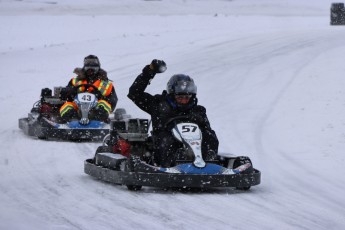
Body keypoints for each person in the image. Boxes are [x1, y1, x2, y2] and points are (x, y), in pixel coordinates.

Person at [127, 59, 219, 167]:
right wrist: (149, 72)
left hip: (195, 148)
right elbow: (135, 94)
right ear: (172, 94)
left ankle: (209, 161)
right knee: (167, 139)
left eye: (187, 97)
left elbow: (206, 130)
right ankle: (173, 163)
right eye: (180, 97)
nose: (184, 100)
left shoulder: (198, 110)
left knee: (209, 135)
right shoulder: (159, 104)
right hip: (163, 148)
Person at [59, 55, 118, 123]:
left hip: (96, 107)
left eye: (93, 67)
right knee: (67, 106)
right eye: (88, 67)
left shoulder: (106, 83)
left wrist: (100, 96)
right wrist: (70, 91)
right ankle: (72, 122)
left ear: (98, 68)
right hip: (78, 107)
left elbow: (113, 99)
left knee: (103, 104)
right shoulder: (75, 81)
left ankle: (97, 122)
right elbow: (65, 93)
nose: (90, 69)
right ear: (84, 67)